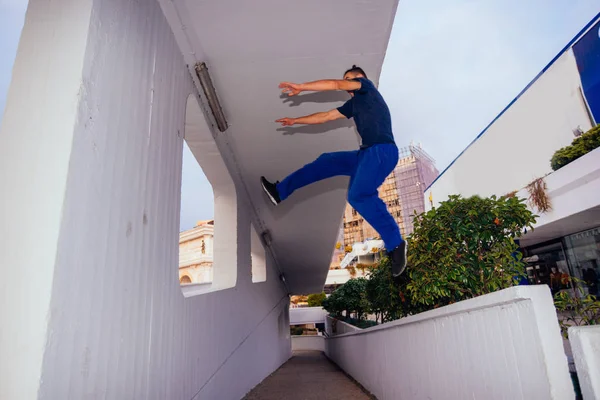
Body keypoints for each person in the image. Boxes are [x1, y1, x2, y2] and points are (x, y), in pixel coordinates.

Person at [260, 65, 407, 277]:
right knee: (327, 161)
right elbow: (325, 116)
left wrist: (302, 87)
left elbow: (335, 84)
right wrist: (295, 121)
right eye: (346, 79)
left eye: (351, 79)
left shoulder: (366, 88)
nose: (347, 83)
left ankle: (395, 244)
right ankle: (280, 191)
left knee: (358, 196)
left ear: (361, 79)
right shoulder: (355, 104)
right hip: (365, 155)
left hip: (382, 152)